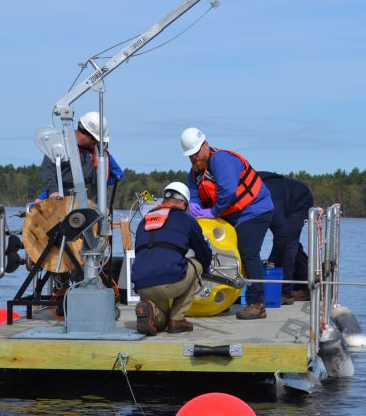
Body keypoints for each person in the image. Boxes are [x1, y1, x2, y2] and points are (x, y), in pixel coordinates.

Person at [180, 127, 274, 320]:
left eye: (196, 154)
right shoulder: (195, 173)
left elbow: (228, 191)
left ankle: (257, 303)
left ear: (205, 145)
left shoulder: (221, 160)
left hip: (254, 210)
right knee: (216, 253)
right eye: (190, 156)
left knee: (248, 252)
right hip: (231, 214)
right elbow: (195, 194)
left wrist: (212, 212)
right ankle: (225, 299)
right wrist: (196, 207)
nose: (194, 159)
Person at [132, 182, 212, 335]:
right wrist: (206, 267)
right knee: (197, 264)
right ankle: (177, 319)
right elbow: (204, 253)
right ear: (183, 203)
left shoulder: (145, 219)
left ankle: (150, 312)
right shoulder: (187, 219)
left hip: (142, 283)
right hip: (168, 281)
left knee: (161, 321)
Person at [38, 111, 123, 202]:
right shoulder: (59, 146)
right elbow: (48, 171)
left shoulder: (100, 154)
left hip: (89, 206)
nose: (97, 143)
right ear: (84, 134)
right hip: (60, 202)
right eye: (95, 140)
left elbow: (117, 174)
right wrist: (51, 192)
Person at [259, 171, 313, 303]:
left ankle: (285, 292)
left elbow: (281, 237)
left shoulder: (267, 197)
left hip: (298, 201)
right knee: (290, 244)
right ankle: (305, 285)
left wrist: (271, 264)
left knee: (288, 243)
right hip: (281, 200)